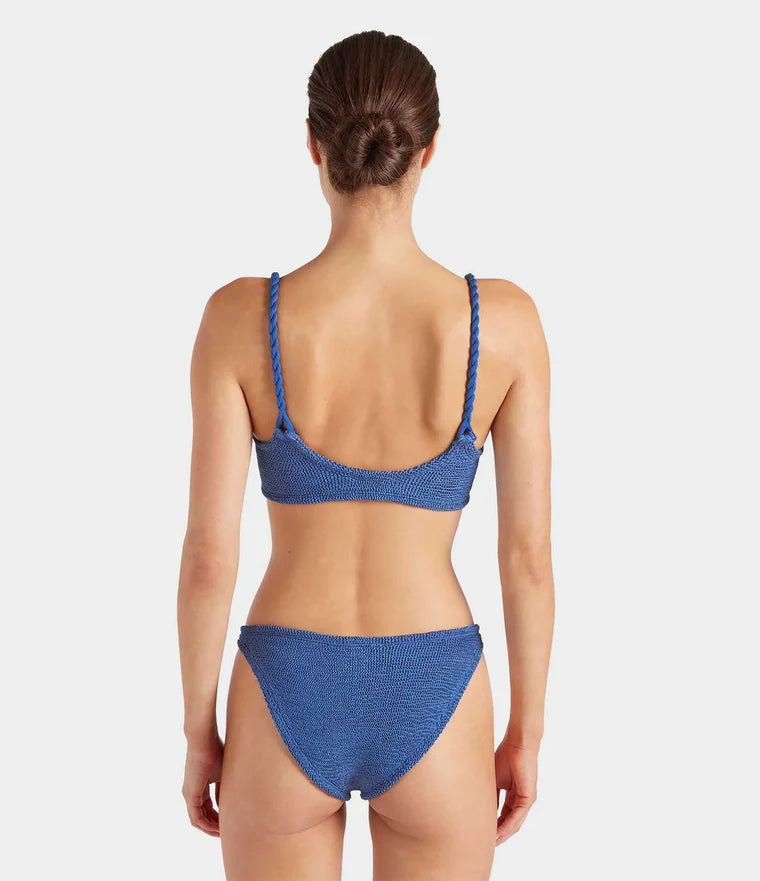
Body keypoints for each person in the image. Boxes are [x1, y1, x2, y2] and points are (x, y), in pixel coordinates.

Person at [177, 29, 554, 881]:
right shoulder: (503, 325)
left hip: (284, 683)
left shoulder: (239, 319)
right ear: (429, 150)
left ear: (314, 146)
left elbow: (208, 558)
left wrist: (199, 730)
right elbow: (527, 558)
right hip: (435, 684)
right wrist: (526, 731)